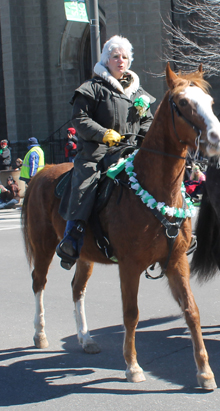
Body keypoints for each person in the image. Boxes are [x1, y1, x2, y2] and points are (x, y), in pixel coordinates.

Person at [56, 34, 155, 270]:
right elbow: (79, 118)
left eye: (124, 57)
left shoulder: (138, 92)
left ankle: (172, 228)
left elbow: (147, 122)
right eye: (115, 56)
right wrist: (102, 133)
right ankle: (73, 236)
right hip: (97, 152)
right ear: (106, 60)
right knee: (86, 181)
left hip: (130, 151)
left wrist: (144, 138)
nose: (120, 60)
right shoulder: (92, 88)